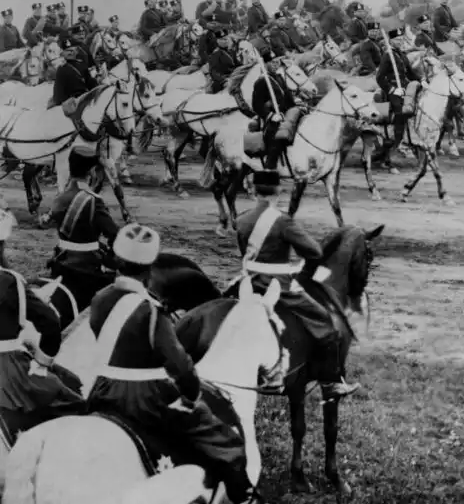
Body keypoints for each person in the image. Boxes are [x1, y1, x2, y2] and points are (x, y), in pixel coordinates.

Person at [87, 224, 255, 504]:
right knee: (228, 444)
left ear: (117, 261)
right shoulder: (152, 311)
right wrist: (192, 396)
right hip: (146, 400)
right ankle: (243, 496)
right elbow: (181, 366)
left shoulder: (99, 300)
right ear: (150, 267)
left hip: (101, 392)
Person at [235, 170, 359, 400]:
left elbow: (248, 253)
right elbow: (315, 251)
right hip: (278, 286)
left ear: (253, 190)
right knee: (326, 322)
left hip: (248, 282)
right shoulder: (283, 221)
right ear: (278, 191)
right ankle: (330, 382)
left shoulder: (240, 219)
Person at [0, 208, 86, 431]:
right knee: (74, 399)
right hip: (6, 368)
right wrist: (42, 363)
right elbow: (50, 323)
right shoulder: (10, 281)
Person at [42, 150, 120, 309]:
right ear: (92, 171)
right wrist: (110, 258)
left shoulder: (60, 196)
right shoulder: (93, 200)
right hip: (87, 267)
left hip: (61, 260)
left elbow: (46, 221)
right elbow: (114, 234)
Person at [251, 63, 300, 171]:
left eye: (277, 62)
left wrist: (296, 103)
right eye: (272, 62)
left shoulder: (279, 77)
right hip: (270, 119)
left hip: (283, 114)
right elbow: (256, 104)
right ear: (265, 64)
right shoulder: (262, 81)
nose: (275, 64)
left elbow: (286, 95)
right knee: (276, 140)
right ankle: (268, 171)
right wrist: (270, 115)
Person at [376, 28, 420, 120]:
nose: (400, 42)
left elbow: (410, 73)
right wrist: (392, 90)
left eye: (401, 39)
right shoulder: (387, 56)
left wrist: (422, 80)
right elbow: (379, 78)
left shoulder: (402, 54)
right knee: (400, 114)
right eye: (397, 40)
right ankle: (398, 134)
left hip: (405, 85)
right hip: (393, 87)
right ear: (390, 41)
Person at [207, 28, 238, 93]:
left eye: (226, 38)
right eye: (222, 39)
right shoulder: (216, 53)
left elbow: (237, 63)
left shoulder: (232, 51)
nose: (225, 41)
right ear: (217, 41)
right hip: (221, 81)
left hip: (234, 77)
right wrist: (223, 80)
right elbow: (213, 71)